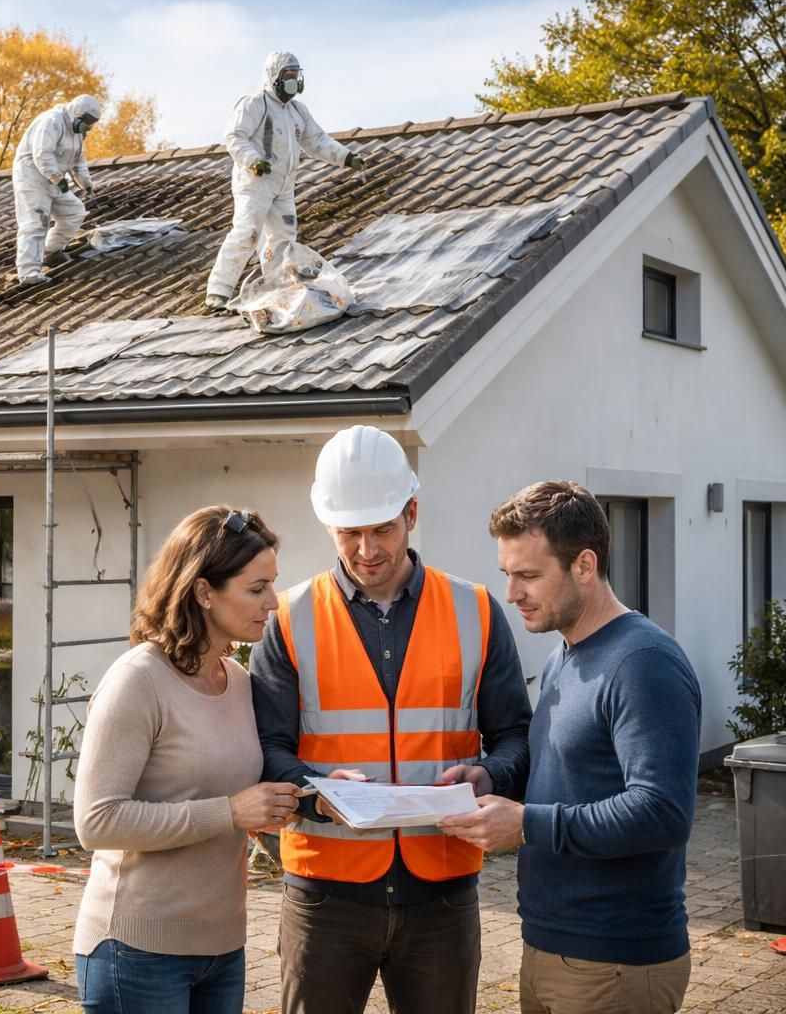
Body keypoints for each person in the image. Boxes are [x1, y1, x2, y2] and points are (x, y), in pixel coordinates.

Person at [250, 425, 533, 1014]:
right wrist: (315, 793)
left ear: (411, 513)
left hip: (442, 894)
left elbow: (515, 736)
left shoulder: (476, 610)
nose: (366, 550)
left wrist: (489, 775)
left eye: (381, 529)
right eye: (349, 533)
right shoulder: (288, 618)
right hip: (325, 897)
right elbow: (267, 748)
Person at [440, 481, 700, 1014]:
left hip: (615, 961)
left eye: (529, 576)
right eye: (507, 574)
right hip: (551, 945)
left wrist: (526, 824)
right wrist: (492, 778)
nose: (511, 594)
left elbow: (663, 812)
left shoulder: (643, 663)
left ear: (584, 565)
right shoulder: (565, 654)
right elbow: (567, 770)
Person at [74, 506, 300, 1014]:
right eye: (257, 588)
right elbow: (96, 821)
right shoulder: (138, 680)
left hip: (223, 949)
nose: (273, 602)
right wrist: (230, 812)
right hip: (136, 949)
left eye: (272, 585)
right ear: (203, 592)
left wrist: (315, 794)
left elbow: (240, 794)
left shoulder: (238, 681)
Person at [204, 51, 365, 310]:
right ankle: (218, 290)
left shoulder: (298, 111)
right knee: (247, 232)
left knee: (283, 239)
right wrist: (253, 160)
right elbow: (234, 136)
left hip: (284, 186)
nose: (293, 80)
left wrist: (345, 157)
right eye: (288, 75)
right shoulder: (254, 104)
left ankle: (277, 287)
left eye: (295, 75)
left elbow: (316, 140)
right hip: (255, 183)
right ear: (274, 77)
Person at [12, 94, 102, 286]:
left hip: (55, 179)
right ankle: (28, 273)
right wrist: (59, 180)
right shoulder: (51, 121)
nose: (88, 126)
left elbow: (78, 159)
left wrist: (86, 183)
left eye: (91, 122)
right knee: (36, 222)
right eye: (86, 120)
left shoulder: (76, 133)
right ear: (76, 113)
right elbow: (42, 154)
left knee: (74, 212)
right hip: (32, 177)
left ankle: (50, 251)